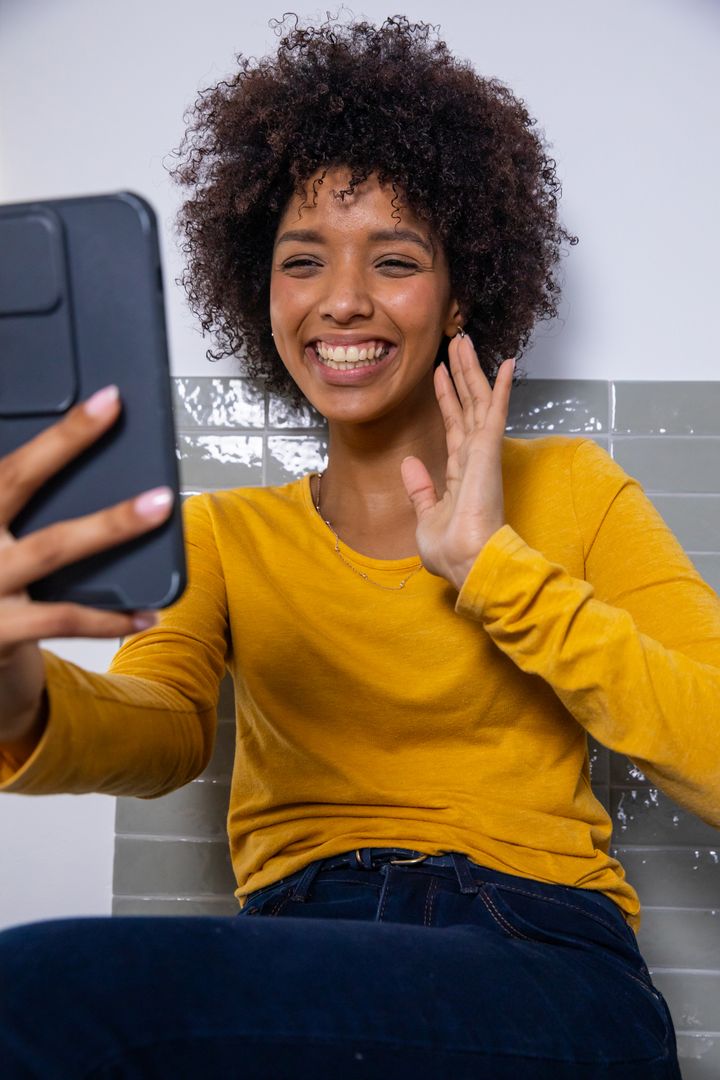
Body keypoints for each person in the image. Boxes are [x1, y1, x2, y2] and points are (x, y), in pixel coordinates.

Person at [0, 14, 712, 1078]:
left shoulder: (573, 490)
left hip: (542, 963)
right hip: (298, 952)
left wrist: (495, 571)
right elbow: (160, 733)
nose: (342, 299)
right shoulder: (228, 535)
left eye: (394, 258)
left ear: (460, 288)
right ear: (263, 291)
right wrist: (18, 695)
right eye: (302, 261)